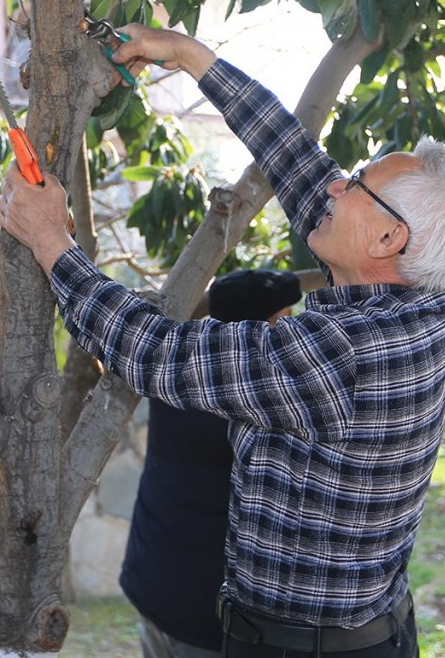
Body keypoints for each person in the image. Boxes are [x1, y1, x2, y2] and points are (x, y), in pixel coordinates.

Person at [0, 26, 445, 655]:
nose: (334, 186)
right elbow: (297, 159)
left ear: (388, 241)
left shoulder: (343, 357)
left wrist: (49, 242)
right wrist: (192, 58)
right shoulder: (427, 298)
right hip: (364, 630)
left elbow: (155, 353)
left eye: (355, 183)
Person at [121, 269, 303, 657]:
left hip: (153, 583)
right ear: (268, 325)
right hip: (206, 615)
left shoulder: (177, 368)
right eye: (285, 316)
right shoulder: (263, 399)